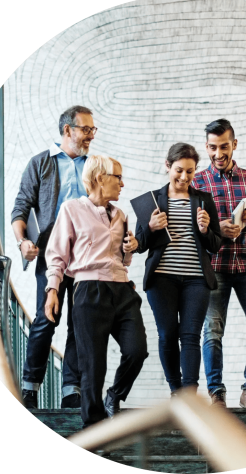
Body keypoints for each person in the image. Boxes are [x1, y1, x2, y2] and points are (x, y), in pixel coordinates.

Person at [44, 155, 148, 428]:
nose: (122, 184)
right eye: (118, 177)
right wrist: (52, 289)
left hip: (123, 290)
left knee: (137, 350)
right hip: (89, 291)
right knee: (92, 366)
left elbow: (123, 260)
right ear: (100, 178)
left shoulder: (121, 215)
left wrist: (130, 249)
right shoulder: (71, 209)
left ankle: (115, 395)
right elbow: (57, 255)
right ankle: (94, 429)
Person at [11, 105, 96, 409]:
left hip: (87, 255)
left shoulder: (94, 165)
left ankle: (71, 389)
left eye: (92, 130)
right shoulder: (41, 164)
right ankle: (30, 386)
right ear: (67, 130)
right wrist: (23, 242)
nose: (90, 135)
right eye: (85, 129)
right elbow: (21, 208)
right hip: (51, 253)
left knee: (79, 321)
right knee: (47, 319)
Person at [191, 119, 246, 408]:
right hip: (215, 267)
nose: (218, 153)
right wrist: (217, 229)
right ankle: (216, 392)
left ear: (234, 144)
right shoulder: (197, 182)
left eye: (223, 146)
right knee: (212, 329)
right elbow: (190, 230)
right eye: (212, 148)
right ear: (207, 147)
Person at [135, 143, 222, 396]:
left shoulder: (204, 200)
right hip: (162, 278)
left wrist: (206, 231)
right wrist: (150, 227)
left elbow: (216, 245)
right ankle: (176, 390)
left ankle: (190, 395)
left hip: (197, 279)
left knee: (191, 335)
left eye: (190, 172)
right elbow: (139, 244)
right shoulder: (153, 199)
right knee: (167, 335)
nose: (184, 177)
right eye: (179, 170)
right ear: (167, 166)